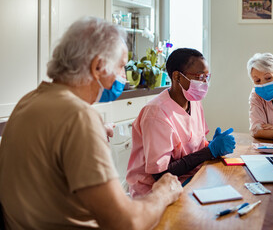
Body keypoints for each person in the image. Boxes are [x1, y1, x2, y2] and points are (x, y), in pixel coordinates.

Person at [0, 17, 182, 229]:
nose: (124, 77)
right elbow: (126, 222)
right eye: (121, 67)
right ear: (98, 66)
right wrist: (163, 192)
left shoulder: (29, 100)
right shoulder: (78, 117)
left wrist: (87, 135)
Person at [126, 48, 236, 197]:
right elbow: (160, 175)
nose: (204, 83)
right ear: (177, 77)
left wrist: (210, 146)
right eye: (199, 77)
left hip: (188, 179)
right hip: (155, 192)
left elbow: (193, 144)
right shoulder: (156, 114)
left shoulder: (194, 102)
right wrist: (209, 151)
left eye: (207, 77)